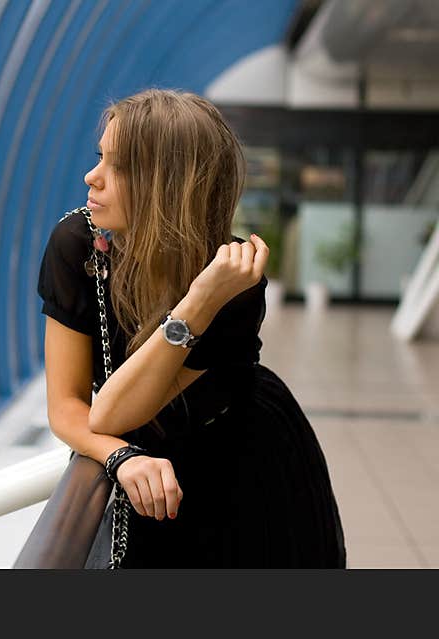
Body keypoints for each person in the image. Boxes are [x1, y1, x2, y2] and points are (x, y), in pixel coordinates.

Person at [37, 88, 346, 568]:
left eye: (117, 167)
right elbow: (68, 407)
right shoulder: (78, 246)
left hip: (239, 467)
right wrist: (120, 457)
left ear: (167, 183)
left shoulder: (229, 281)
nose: (91, 177)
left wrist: (199, 301)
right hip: (153, 468)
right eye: (100, 157)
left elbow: (112, 413)